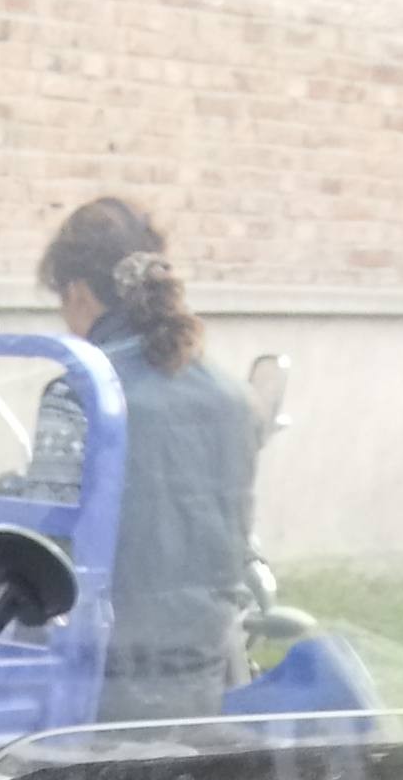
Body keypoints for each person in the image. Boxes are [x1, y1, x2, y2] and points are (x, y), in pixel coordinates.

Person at [20, 197, 259, 723]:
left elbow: (43, 546)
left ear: (77, 292)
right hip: (201, 684)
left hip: (97, 694)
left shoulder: (79, 392)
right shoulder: (236, 399)